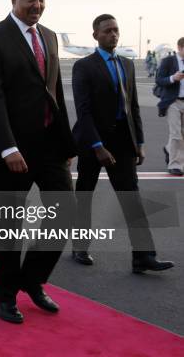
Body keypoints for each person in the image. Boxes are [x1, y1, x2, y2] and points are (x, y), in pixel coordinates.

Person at [0, 0, 77, 324]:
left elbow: (55, 91)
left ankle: (31, 279)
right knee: (9, 226)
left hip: (49, 146)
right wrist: (6, 147)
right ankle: (3, 295)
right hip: (12, 150)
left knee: (64, 215)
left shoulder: (48, 37)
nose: (37, 5)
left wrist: (66, 142)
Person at [72, 14, 174, 273]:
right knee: (85, 195)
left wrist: (139, 141)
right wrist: (97, 146)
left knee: (132, 199)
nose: (113, 35)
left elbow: (133, 107)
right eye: (107, 31)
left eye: (116, 30)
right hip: (92, 140)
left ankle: (143, 256)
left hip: (123, 141)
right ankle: (79, 246)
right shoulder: (84, 66)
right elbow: (83, 112)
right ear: (95, 35)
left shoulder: (127, 65)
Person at [155, 37, 184, 176]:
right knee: (176, 133)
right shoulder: (168, 61)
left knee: (182, 135)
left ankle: (168, 149)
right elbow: (159, 80)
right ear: (179, 48)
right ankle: (175, 165)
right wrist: (173, 78)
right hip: (173, 101)